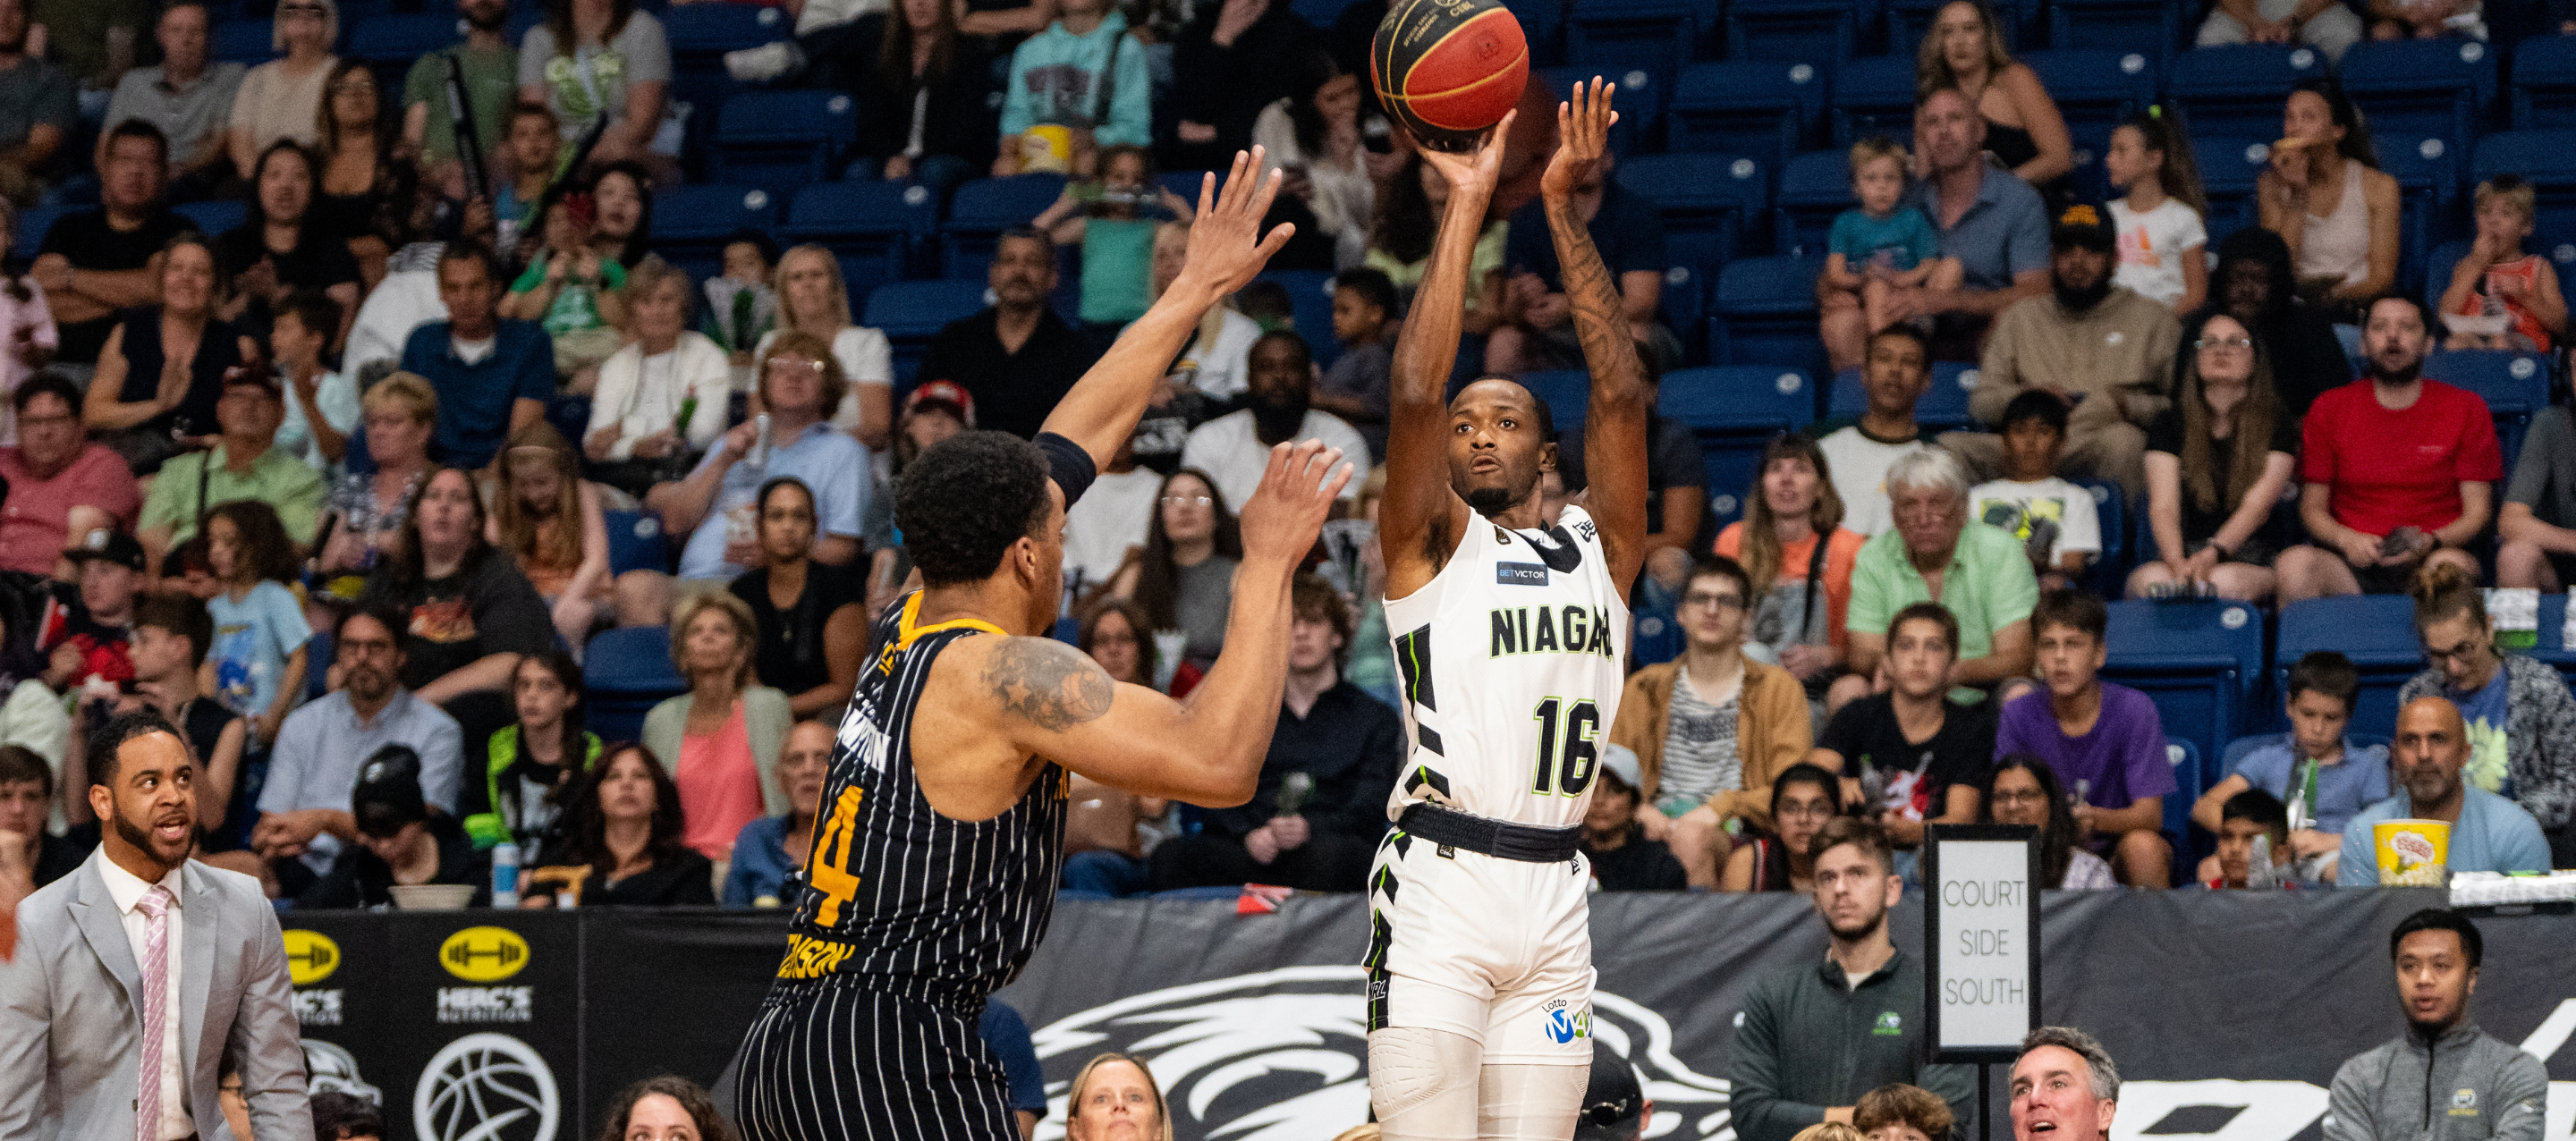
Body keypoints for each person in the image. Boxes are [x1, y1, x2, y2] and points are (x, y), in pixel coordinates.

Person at [726, 148, 1332, 1141]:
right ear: (1022, 556)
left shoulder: (913, 616)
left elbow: (1069, 441)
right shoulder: (1001, 673)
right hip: (889, 1053)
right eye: (1056, 534)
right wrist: (1265, 565)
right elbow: (1218, 764)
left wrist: (1191, 290)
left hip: (795, 1043)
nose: (1066, 544)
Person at [1355, 80, 1648, 1140]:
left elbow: (1620, 392)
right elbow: (1416, 396)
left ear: (1545, 452)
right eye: (1468, 423)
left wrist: (1563, 215)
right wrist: (1471, 202)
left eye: (1507, 417)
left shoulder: (1602, 552)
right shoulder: (1430, 547)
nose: (1477, 433)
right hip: (1442, 883)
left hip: (1558, 891)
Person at [0, 709, 311, 1141]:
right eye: (151, 783)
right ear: (102, 801)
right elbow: (10, 1108)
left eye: (183, 779)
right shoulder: (38, 923)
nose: (175, 796)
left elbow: (276, 1084)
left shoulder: (245, 908)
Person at [1148, 574, 1399, 892]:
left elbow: (1372, 802)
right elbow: (1213, 784)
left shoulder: (1374, 717)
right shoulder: (1245, 716)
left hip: (1328, 846)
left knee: (1350, 858)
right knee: (1170, 858)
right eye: (1290, 624)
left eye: (1314, 622)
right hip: (1251, 848)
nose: (1301, 633)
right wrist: (1248, 833)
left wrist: (1309, 828)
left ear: (1337, 636)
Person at [1729, 817, 1973, 1141]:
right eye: (1828, 878)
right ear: (1816, 899)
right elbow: (1751, 1116)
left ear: (1892, 890)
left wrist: (1820, 1123)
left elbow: (1945, 1121)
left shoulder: (1940, 995)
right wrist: (1884, 1126)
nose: (1841, 888)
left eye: (1857, 873)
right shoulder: (1772, 995)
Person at [1606, 555, 1813, 886]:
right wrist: (1640, 809)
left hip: (1736, 827)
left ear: (1746, 618)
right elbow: (1612, 770)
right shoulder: (1645, 687)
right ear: (1681, 612)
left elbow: (1792, 787)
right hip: (1652, 824)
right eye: (1701, 598)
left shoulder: (1778, 688)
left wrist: (1721, 807)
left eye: (1726, 601)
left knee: (1691, 836)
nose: (1712, 609)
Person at [2278, 296, 2499, 604]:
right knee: (2294, 565)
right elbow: (2312, 509)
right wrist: (2346, 539)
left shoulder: (2466, 408)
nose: (2393, 337)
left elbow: (2478, 513)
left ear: (2429, 343)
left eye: (2407, 327)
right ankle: (2316, 656)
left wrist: (2431, 541)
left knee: (2449, 568)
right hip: (2352, 562)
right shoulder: (2329, 408)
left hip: (2434, 555)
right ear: (2363, 344)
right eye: (2380, 328)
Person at [1952, 204, 2177, 496]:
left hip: (2094, 446)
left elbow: (2183, 408)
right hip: (2027, 445)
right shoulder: (2019, 318)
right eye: (2066, 250)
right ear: (2052, 258)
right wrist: (2027, 396)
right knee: (1950, 450)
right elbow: (1981, 403)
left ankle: (2127, 541)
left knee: (2125, 442)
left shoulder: (2154, 320)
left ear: (2115, 259)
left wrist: (2124, 404)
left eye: (2092, 251)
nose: (2077, 262)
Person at [253, 605, 462, 892]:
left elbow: (414, 829)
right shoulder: (301, 724)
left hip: (391, 872)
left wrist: (325, 820)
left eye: (375, 647)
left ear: (400, 656)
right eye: (351, 647)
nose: (361, 658)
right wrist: (276, 837)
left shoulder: (438, 730)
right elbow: (273, 820)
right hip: (304, 869)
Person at [646, 331, 869, 592]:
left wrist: (780, 555)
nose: (793, 375)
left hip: (773, 587)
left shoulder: (844, 451)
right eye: (780, 366)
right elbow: (675, 521)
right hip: (697, 580)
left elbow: (843, 550)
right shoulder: (731, 443)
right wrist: (724, 460)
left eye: (809, 369)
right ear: (764, 383)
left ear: (828, 387)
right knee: (637, 590)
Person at [360, 465, 555, 754]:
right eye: (433, 496)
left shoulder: (499, 577)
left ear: (476, 522)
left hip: (468, 726)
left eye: (457, 499)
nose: (444, 507)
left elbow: (509, 664)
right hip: (386, 717)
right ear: (414, 516)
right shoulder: (388, 578)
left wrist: (419, 703)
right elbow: (349, 652)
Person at [2394, 562, 2576, 862]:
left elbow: (2569, 786)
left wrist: (2497, 823)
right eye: (2438, 655)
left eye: (2463, 649)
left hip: (2524, 842)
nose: (2453, 667)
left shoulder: (2539, 687)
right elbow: (2405, 788)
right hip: (2441, 848)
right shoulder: (2417, 697)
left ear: (2488, 629)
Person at [1995, 589, 2176, 887]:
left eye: (2073, 644)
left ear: (2099, 654)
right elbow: (2004, 801)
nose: (2060, 657)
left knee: (2143, 847)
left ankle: (2156, 934)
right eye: (2048, 645)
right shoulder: (2018, 713)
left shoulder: (2135, 710)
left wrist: (2093, 820)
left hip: (2115, 849)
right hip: (2045, 848)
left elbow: (2149, 816)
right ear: (2037, 656)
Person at [1834, 447, 2038, 711]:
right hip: (1901, 689)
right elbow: (1862, 654)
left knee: (2020, 694)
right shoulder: (1873, 556)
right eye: (1909, 505)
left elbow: (2017, 658)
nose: (1924, 518)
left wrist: (1947, 673)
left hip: (1981, 691)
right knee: (1847, 689)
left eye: (1937, 503)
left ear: (1962, 509)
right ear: (1895, 516)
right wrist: (1892, 667)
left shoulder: (2002, 551)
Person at [1860, 88, 2048, 363]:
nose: (1944, 131)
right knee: (1842, 324)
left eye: (1955, 119)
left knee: (2014, 323)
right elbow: (1859, 257)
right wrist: (1830, 288)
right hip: (1912, 324)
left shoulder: (2021, 201)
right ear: (1924, 136)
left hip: (1984, 328)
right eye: (1932, 123)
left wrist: (1953, 300)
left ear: (1979, 131)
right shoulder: (1906, 200)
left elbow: (2036, 293)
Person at [2325, 909, 2547, 1141]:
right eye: (2409, 966)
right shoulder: (2358, 1078)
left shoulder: (2514, 1071)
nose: (2423, 979)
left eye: (2441, 965)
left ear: (2471, 979)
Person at [2128, 311, 2299, 602]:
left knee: (2225, 583)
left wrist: (2214, 553)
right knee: (2147, 582)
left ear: (2254, 358)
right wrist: (2176, 562)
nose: (2221, 350)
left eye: (2235, 342)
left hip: (2251, 556)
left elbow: (2258, 506)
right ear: (2195, 357)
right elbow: (2163, 506)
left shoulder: (2277, 422)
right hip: (2182, 554)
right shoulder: (2169, 422)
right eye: (2210, 342)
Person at [1485, 132, 1674, 376]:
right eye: (1568, 150)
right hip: (1554, 335)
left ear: (1608, 160)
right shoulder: (1526, 219)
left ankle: (1628, 414)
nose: (1580, 158)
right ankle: (1500, 412)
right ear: (1550, 162)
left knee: (1633, 335)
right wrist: (1524, 301)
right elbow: (1509, 314)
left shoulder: (1636, 214)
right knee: (1504, 342)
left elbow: (1641, 305)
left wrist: (1570, 307)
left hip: (1619, 328)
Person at [2192, 651, 2387, 883]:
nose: (2317, 728)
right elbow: (2204, 808)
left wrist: (2329, 841)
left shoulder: (2367, 765)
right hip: (2268, 853)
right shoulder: (2267, 759)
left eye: (2331, 718)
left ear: (2348, 716)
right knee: (2212, 868)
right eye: (2308, 714)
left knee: (2348, 870)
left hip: (2329, 853)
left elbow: (2382, 832)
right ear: (2289, 706)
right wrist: (2258, 838)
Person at [1813, 602, 1992, 854]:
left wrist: (1906, 831)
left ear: (1953, 666)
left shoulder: (1971, 729)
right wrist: (1835, 784)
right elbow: (1810, 776)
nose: (1919, 658)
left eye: (1933, 647)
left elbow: (1961, 822)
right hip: (1860, 853)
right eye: (1906, 646)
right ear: (1887, 662)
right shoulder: (1858, 714)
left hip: (1931, 860)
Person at [81, 232, 258, 477]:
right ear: (163, 278)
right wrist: (158, 407)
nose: (186, 279)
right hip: (132, 465)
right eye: (176, 268)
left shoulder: (239, 346)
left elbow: (255, 422)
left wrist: (222, 443)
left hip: (207, 468)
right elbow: (94, 413)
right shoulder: (129, 332)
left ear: (215, 284)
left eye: (200, 272)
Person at [915, 227, 1102, 441]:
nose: (1019, 272)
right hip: (965, 467)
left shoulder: (1077, 351)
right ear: (992, 274)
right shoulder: (953, 341)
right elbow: (925, 418)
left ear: (1053, 277)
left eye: (1033, 262)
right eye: (1009, 261)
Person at [644, 589, 789, 864]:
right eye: (696, 631)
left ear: (741, 651)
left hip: (750, 864)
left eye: (720, 630)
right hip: (679, 867)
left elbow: (785, 794)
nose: (708, 637)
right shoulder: (660, 720)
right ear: (682, 653)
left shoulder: (770, 707)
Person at [136, 364, 327, 570]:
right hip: (181, 585)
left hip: (252, 590)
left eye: (263, 398)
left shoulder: (301, 479)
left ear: (281, 414)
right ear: (220, 409)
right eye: (237, 396)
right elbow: (151, 541)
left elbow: (293, 546)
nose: (248, 406)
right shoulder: (178, 470)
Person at [2340, 697, 2551, 884]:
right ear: (2394, 757)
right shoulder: (2364, 835)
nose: (2424, 754)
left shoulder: (2516, 833)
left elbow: (2530, 927)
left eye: (2438, 739)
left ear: (2464, 754)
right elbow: (2360, 927)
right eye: (2410, 741)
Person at [36, 120, 187, 369]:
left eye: (148, 162)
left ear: (164, 173)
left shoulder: (179, 231)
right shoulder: (68, 228)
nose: (135, 171)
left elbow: (160, 291)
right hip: (63, 366)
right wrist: (130, 304)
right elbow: (43, 303)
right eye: (125, 160)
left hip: (146, 369)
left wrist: (71, 278)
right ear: (104, 168)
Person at [1716, 435, 1863, 686]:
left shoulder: (1848, 548)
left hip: (1819, 685)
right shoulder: (1734, 541)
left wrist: (1828, 656)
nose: (1786, 480)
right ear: (1762, 487)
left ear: (1820, 488)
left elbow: (1868, 644)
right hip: (1748, 683)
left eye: (1800, 469)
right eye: (1775, 469)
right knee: (1753, 654)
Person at [398, 241, 553, 471]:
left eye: (475, 286)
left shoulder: (531, 342)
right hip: (433, 475)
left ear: (495, 288)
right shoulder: (422, 341)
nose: (464, 299)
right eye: (454, 288)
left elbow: (521, 438)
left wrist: (482, 484)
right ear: (442, 293)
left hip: (504, 474)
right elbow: (409, 428)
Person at [1180, 330, 1368, 512]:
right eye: (1267, 367)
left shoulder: (1341, 442)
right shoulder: (1209, 440)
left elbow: (1336, 520)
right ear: (1249, 380)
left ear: (1309, 378)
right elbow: (1200, 521)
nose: (1280, 377)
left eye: (1292, 367)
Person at [583, 258, 727, 492]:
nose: (657, 311)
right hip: (620, 478)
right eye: (646, 302)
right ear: (632, 310)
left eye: (667, 300)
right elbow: (594, 444)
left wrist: (623, 431)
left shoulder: (708, 356)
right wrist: (634, 447)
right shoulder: (616, 364)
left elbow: (702, 435)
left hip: (690, 476)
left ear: (683, 306)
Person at [2259, 80, 2399, 319]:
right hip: (2293, 310)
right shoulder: (2270, 184)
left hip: (2354, 308)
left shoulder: (2380, 187)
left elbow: (2382, 277)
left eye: (2308, 118)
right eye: (2290, 118)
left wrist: (2332, 300)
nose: (2294, 128)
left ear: (2338, 131)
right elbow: (2277, 269)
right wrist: (2298, 193)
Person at [1818, 136, 1959, 373]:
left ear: (1902, 184)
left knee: (1952, 266)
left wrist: (1900, 280)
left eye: (1890, 178)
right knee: (1876, 287)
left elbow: (1928, 264)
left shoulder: (1913, 219)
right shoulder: (1845, 223)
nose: (1881, 186)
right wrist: (1865, 279)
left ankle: (1920, 331)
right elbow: (1835, 274)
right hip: (1869, 295)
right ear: (1856, 186)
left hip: (1909, 296)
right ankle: (1881, 351)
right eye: (1871, 179)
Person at [730, 478, 865, 720]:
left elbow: (845, 689)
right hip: (758, 718)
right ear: (759, 526)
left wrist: (777, 710)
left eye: (799, 516)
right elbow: (742, 679)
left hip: (825, 719)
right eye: (777, 516)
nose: (788, 527)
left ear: (814, 526)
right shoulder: (741, 593)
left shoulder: (840, 588)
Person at [295, 744, 489, 908]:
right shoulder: (360, 872)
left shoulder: (468, 863)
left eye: (392, 831)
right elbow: (303, 916)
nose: (384, 845)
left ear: (418, 820)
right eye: (372, 835)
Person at [523, 740, 713, 906]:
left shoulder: (688, 871)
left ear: (658, 798)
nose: (627, 784)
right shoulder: (560, 862)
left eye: (640, 775)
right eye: (614, 776)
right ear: (598, 798)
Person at [491, 420, 628, 647]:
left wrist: (566, 603)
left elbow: (596, 561)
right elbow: (496, 558)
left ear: (563, 474)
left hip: (582, 594)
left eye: (542, 483)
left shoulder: (582, 493)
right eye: (523, 485)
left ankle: (568, 673)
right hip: (534, 597)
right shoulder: (509, 505)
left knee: (574, 614)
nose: (533, 494)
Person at [1917, 0, 2072, 195]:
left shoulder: (2015, 79)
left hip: (2028, 204)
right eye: (1948, 31)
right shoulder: (1931, 95)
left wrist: (1993, 191)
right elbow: (1926, 177)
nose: (1959, 41)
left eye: (1970, 29)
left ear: (1987, 35)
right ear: (1939, 42)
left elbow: (2060, 158)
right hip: (1960, 214)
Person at [2194, 227, 2353, 418]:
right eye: (2237, 278)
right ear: (2222, 281)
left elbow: (2333, 405)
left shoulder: (2310, 327)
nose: (2246, 289)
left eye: (2259, 279)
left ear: (2278, 284)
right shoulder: (2202, 325)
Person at [214, 140, 361, 342]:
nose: (286, 186)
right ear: (258, 185)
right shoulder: (231, 246)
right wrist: (248, 298)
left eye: (299, 176)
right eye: (274, 175)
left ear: (313, 188)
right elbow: (207, 322)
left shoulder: (331, 250)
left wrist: (276, 294)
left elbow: (337, 335)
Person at [845, 0, 996, 196]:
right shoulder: (883, 55)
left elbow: (965, 130)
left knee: (933, 171)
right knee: (859, 171)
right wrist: (891, 158)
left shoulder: (969, 53)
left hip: (950, 156)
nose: (919, 4)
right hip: (894, 156)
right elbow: (871, 123)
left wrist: (914, 161)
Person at [100, 0, 242, 199]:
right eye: (176, 30)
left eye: (196, 31)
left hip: (196, 177)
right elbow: (106, 146)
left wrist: (178, 169)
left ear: (210, 38)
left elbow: (220, 144)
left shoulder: (230, 77)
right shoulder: (133, 82)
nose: (186, 39)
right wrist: (109, 183)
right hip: (134, 178)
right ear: (161, 35)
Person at [1250, 50, 1378, 269]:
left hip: (1356, 244)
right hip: (1295, 235)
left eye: (1352, 91)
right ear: (1309, 101)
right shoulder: (1276, 120)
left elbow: (1368, 217)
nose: (1346, 104)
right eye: (1332, 98)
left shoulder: (1375, 128)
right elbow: (1260, 198)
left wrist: (1346, 165)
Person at [517, 0, 674, 178]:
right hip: (559, 153)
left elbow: (641, 125)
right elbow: (534, 119)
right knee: (508, 155)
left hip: (627, 154)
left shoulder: (644, 29)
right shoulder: (538, 39)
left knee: (617, 154)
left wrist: (584, 154)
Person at [459, 650, 597, 852]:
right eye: (524, 685)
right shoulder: (494, 751)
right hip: (503, 872)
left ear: (570, 698)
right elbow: (477, 826)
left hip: (567, 873)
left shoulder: (592, 756)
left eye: (546, 686)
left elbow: (591, 835)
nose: (531, 695)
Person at [0, 375, 139, 576]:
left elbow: (77, 553)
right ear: (18, 427)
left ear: (79, 424)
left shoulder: (100, 465)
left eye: (56, 420)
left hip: (44, 590)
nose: (44, 432)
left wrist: (53, 601)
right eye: (32, 422)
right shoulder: (4, 462)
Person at [756, 245, 893, 448]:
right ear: (784, 293)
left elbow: (877, 431)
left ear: (836, 288)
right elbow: (760, 425)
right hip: (783, 469)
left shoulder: (867, 342)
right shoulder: (769, 344)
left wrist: (816, 453)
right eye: (797, 277)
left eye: (817, 275)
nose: (808, 284)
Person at [993, 0, 1149, 176]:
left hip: (1098, 162)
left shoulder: (1127, 49)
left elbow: (1136, 131)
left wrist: (1095, 139)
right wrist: (1012, 141)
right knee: (1005, 168)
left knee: (1085, 164)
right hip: (1038, 157)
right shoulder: (1030, 50)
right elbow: (1016, 118)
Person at [199, 500, 309, 747]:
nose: (215, 551)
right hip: (232, 733)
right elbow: (208, 666)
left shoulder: (276, 598)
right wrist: (210, 717)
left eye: (228, 543)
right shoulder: (215, 607)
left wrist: (276, 713)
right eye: (212, 542)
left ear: (256, 546)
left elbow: (298, 657)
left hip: (272, 728)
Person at [1967, 392, 2103, 590]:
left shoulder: (2077, 498)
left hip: (2046, 593)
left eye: (2043, 431)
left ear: (2062, 444)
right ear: (2004, 442)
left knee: (2054, 584)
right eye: (2020, 431)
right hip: (1987, 588)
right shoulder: (1975, 497)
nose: (2030, 441)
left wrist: (2039, 567)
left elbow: (2073, 567)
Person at [1107, 468, 1239, 672]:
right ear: (1160, 515)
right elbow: (1113, 646)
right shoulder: (1135, 577)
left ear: (1218, 516)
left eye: (1200, 498)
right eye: (1173, 499)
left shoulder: (1239, 576)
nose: (1185, 507)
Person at [312, 372, 434, 593]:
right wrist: (341, 550)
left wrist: (373, 541)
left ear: (423, 431)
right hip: (346, 600)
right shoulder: (350, 488)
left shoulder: (437, 488)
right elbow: (319, 564)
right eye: (372, 422)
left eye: (392, 422)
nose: (378, 431)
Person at [1367, 151, 1507, 335]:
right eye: (1431, 165)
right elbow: (1368, 301)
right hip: (1395, 340)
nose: (1440, 173)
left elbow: (1489, 315)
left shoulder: (1491, 234)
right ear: (1417, 173)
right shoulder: (1390, 237)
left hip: (1462, 340)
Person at [501, 184, 626, 391]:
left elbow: (626, 323)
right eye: (555, 221)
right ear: (545, 230)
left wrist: (599, 283)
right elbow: (505, 313)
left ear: (591, 226)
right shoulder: (537, 272)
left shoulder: (610, 269)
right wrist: (549, 285)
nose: (565, 228)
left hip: (597, 353)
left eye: (572, 218)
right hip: (553, 353)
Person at [1165, 0, 1313, 173]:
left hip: (1270, 161)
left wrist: (1216, 133)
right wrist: (1222, 38)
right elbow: (1191, 114)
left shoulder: (1296, 36)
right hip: (1201, 162)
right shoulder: (1196, 33)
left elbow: (1279, 114)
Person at [1815, 326, 1935, 538]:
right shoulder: (1820, 441)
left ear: (1926, 381)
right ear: (1864, 374)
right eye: (1884, 358)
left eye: (1908, 362)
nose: (1895, 370)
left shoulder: (1936, 459)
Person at [309, 60, 411, 285]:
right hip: (318, 269)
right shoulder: (311, 161)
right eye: (344, 88)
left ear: (380, 98)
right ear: (329, 102)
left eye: (366, 86)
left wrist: (330, 250)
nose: (356, 94)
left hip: (382, 270)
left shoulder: (398, 159)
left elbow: (388, 241)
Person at [2439, 176, 2565, 352]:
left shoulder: (2538, 267)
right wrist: (2476, 264)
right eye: (2485, 212)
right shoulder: (2467, 266)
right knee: (2453, 344)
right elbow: (2444, 315)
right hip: (2473, 338)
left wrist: (2524, 296)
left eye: (2506, 213)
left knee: (2500, 342)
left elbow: (2560, 323)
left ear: (2527, 225)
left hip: (2521, 345)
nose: (2493, 221)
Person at [398, 0, 517, 179]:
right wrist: (439, 171)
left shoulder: (526, 66)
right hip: (439, 194)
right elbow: (412, 145)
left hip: (504, 193)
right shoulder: (430, 66)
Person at [2105, 113, 2209, 313]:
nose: (2109, 159)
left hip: (2164, 331)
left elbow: (2196, 293)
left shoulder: (2183, 218)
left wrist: (2160, 326)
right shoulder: (2108, 215)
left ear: (2153, 159)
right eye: (2111, 150)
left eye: (2121, 151)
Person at [222, 0, 335, 182]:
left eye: (314, 11)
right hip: (259, 180)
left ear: (329, 20)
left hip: (318, 179)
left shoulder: (341, 75)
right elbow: (239, 139)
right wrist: (264, 179)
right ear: (280, 20)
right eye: (292, 10)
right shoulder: (256, 77)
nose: (303, 18)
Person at [724, 717, 829, 908]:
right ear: (779, 779)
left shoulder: (868, 843)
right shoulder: (754, 839)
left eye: (822, 758)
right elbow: (731, 926)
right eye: (797, 760)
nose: (809, 769)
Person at [1983, 754, 2117, 889]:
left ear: (2051, 803)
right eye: (2001, 797)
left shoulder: (2090, 872)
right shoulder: (1974, 870)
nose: (2012, 806)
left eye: (2026, 795)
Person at [1717, 764, 1845, 892]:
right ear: (1774, 822)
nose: (1804, 819)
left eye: (1818, 809)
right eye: (1791, 809)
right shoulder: (1749, 862)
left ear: (1837, 819)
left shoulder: (1854, 861)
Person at [267, 290, 355, 472]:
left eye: (285, 328)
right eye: (275, 328)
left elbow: (336, 452)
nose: (274, 336)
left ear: (315, 339)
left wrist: (308, 401)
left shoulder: (337, 387)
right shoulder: (271, 386)